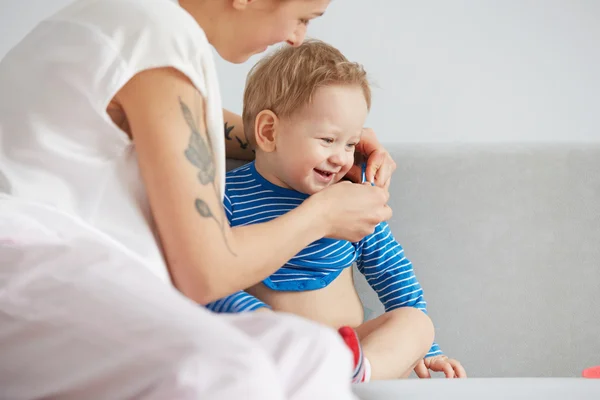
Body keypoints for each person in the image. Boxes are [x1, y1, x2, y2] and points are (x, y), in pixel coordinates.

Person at [0, 0, 398, 398]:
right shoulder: (154, 35)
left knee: (313, 353)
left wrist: (310, 136)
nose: (296, 38)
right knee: (229, 371)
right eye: (301, 17)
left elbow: (190, 124)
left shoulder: (137, 27)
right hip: (31, 263)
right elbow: (206, 274)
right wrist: (324, 215)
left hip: (72, 270)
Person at [206, 40, 467, 382]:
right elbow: (211, 281)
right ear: (269, 132)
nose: (343, 158)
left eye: (350, 143)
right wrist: (266, 326)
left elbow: (391, 270)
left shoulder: (352, 198)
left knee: (417, 323)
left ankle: (355, 374)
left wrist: (427, 348)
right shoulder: (224, 196)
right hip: (274, 353)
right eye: (328, 140)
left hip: (351, 354)